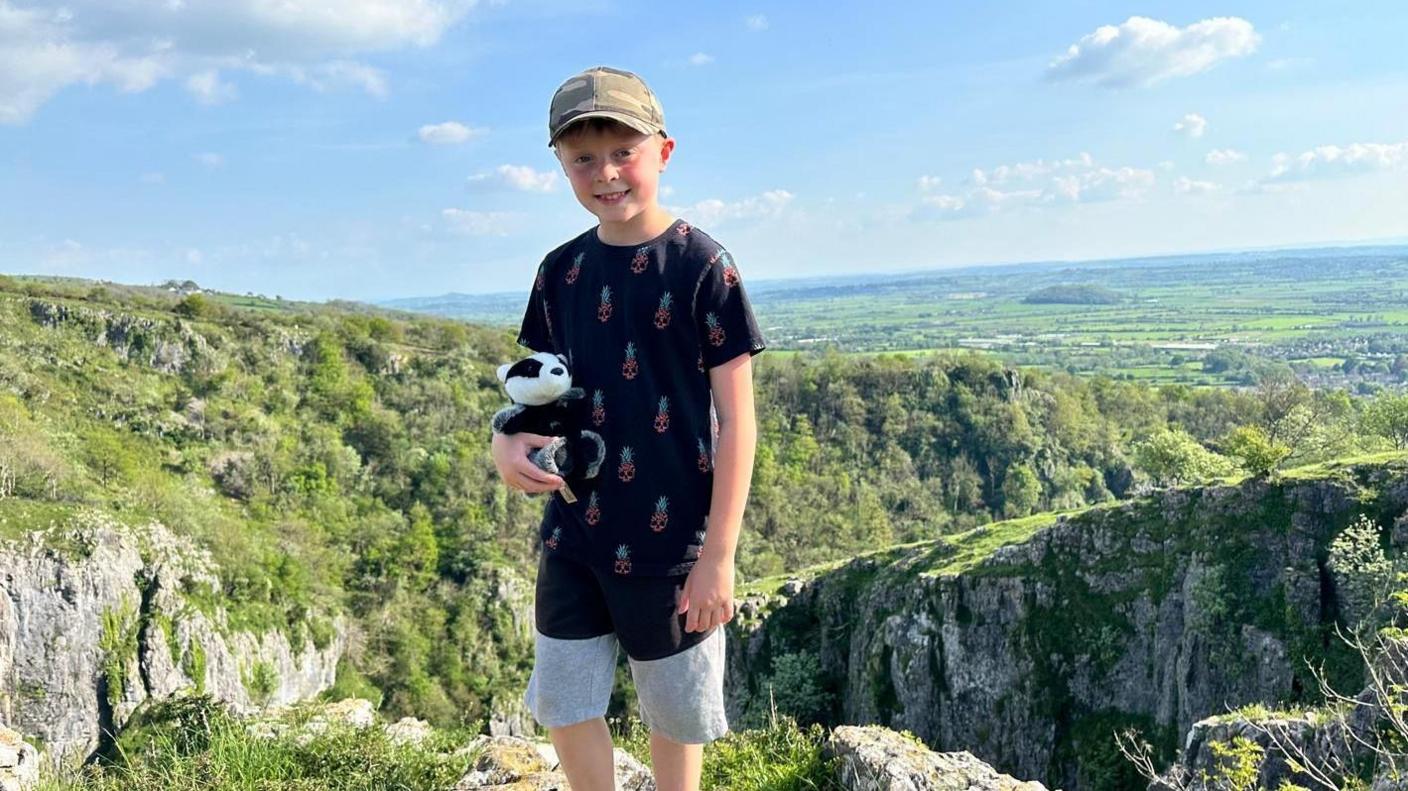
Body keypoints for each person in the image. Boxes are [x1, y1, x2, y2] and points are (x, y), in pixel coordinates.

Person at [490, 65, 767, 791]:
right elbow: (538, 392)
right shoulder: (560, 272)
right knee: (564, 697)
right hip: (575, 533)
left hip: (674, 543)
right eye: (583, 158)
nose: (605, 172)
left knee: (674, 712)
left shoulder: (704, 266)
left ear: (663, 152)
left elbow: (739, 420)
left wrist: (719, 555)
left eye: (623, 152)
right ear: (559, 163)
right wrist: (504, 441)